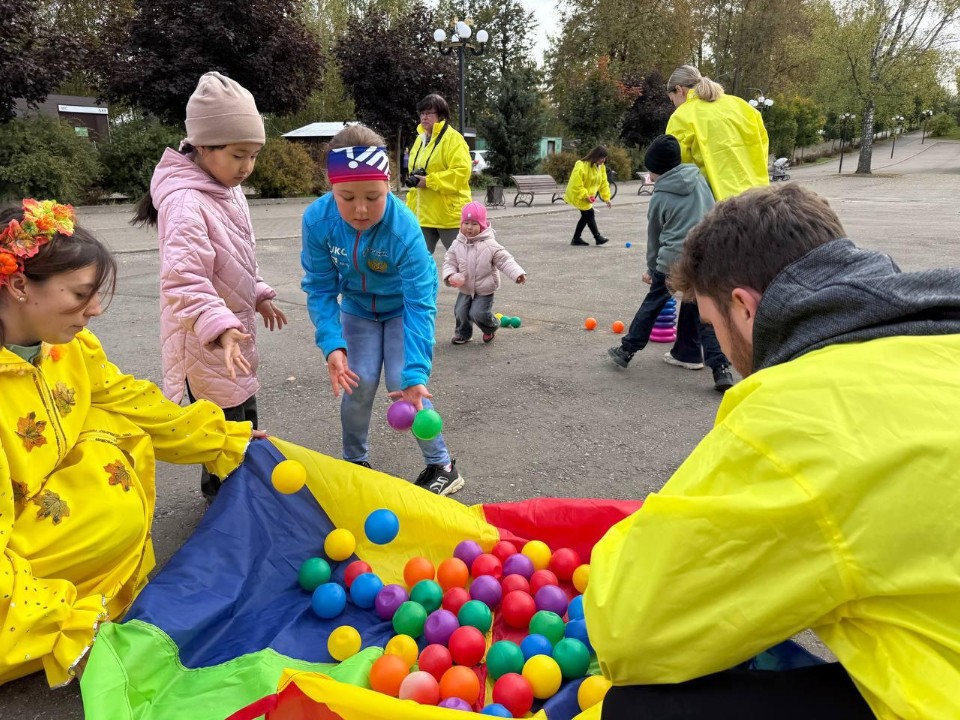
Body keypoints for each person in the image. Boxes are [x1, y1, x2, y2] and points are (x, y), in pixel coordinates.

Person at [585, 184, 960, 719]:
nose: (730, 358)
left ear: (745, 308)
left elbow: (626, 630)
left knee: (637, 707)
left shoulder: (796, 416)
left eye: (713, 328)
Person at [0, 200, 261, 687]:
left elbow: (131, 400)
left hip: (35, 516)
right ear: (17, 286)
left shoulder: (65, 348)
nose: (94, 310)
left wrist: (222, 440)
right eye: (80, 294)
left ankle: (80, 591)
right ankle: (47, 620)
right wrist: (63, 628)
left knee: (118, 422)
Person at [133, 71, 286, 502]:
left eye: (254, 155)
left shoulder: (224, 188)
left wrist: (257, 292)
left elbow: (231, 259)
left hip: (229, 336)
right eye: (239, 155)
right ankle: (225, 504)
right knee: (225, 431)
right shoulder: (186, 202)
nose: (247, 167)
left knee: (242, 422)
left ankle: (240, 494)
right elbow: (184, 278)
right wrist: (219, 326)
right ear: (203, 146)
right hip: (207, 340)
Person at [301, 124, 464, 496]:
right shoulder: (317, 220)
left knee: (403, 384)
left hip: (401, 311)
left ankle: (442, 465)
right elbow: (320, 286)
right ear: (332, 189)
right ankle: (354, 462)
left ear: (389, 186)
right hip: (357, 309)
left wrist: (416, 371)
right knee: (356, 382)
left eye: (373, 197)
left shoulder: (404, 228)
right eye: (347, 197)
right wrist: (332, 344)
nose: (360, 210)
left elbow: (420, 304)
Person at [607, 135, 734, 392]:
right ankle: (721, 369)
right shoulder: (700, 180)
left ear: (657, 170)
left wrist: (651, 268)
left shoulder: (660, 197)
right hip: (705, 258)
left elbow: (654, 236)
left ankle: (626, 350)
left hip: (672, 262)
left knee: (652, 305)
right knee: (706, 314)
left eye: (651, 170)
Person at [665, 65, 769, 201]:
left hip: (718, 205)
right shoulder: (742, 106)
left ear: (679, 90)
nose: (675, 106)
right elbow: (762, 148)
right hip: (759, 198)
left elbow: (677, 168)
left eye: (673, 100)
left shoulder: (681, 117)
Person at [441, 202, 527, 345]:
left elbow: (505, 260)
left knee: (478, 314)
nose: (469, 227)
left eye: (474, 224)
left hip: (484, 288)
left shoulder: (490, 244)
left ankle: (491, 326)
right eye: (466, 223)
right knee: (460, 312)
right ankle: (463, 334)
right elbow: (449, 261)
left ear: (482, 225)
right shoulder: (457, 243)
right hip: (466, 288)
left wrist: (517, 273)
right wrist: (450, 275)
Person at [405, 94, 473, 254]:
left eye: (429, 113)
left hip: (448, 215)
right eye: (421, 113)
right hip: (422, 214)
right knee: (417, 261)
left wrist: (430, 181)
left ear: (441, 115)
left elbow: (461, 173)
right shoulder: (419, 140)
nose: (424, 117)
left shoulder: (453, 139)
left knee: (462, 262)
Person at [563, 146, 613, 246]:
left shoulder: (601, 167)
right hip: (577, 194)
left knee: (586, 216)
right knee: (589, 214)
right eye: (601, 158)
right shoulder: (581, 165)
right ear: (595, 156)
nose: (603, 160)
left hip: (588, 196)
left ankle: (576, 239)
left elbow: (603, 182)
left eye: (605, 158)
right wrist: (585, 195)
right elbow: (576, 184)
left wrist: (606, 198)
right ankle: (597, 237)